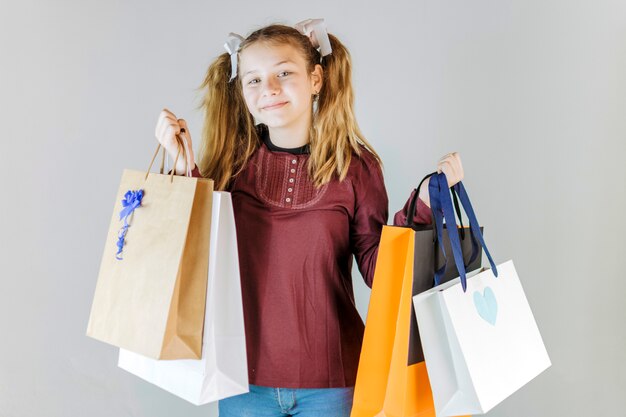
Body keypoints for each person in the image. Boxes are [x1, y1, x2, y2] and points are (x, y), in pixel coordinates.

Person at [154, 20, 464, 417]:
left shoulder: (357, 168)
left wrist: (422, 205)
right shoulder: (231, 167)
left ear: (316, 79)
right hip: (241, 380)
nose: (269, 89)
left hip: (335, 383)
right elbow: (196, 256)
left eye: (284, 73)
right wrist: (183, 169)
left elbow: (379, 272)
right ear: (241, 91)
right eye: (254, 80)